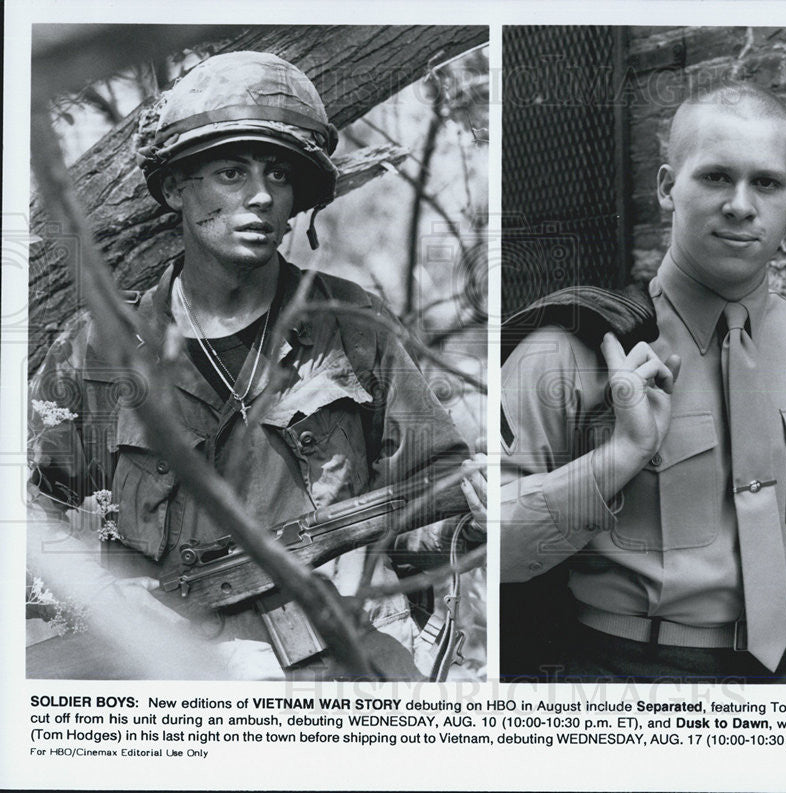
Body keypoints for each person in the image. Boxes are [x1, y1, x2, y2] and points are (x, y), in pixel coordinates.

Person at [28, 51, 485, 680]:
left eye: (278, 173)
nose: (261, 195)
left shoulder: (352, 325)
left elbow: (429, 507)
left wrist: (474, 521)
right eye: (229, 172)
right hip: (153, 681)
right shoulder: (97, 349)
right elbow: (36, 520)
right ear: (175, 189)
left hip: (328, 675)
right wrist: (110, 606)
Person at [500, 81, 786, 684]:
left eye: (765, 183)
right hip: (617, 678)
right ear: (667, 187)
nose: (741, 205)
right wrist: (620, 456)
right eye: (716, 177)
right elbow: (485, 552)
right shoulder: (570, 351)